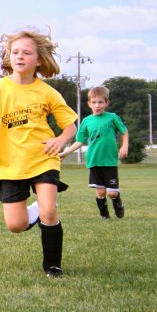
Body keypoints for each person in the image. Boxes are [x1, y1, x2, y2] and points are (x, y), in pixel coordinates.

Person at [0, 29, 77, 278]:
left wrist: (61, 139)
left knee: (50, 211)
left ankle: (53, 266)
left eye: (27, 53)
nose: (20, 56)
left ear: (39, 60)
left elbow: (70, 126)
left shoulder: (47, 92)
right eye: (15, 52)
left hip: (43, 158)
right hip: (8, 164)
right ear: (9, 57)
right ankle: (38, 209)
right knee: (16, 225)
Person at [59, 85, 129, 219]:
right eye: (94, 102)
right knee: (101, 192)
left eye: (100, 102)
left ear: (107, 103)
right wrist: (65, 153)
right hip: (94, 160)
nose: (97, 105)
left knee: (112, 193)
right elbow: (80, 141)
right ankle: (104, 215)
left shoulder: (112, 117)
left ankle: (118, 203)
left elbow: (124, 131)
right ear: (89, 104)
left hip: (109, 160)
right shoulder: (86, 121)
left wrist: (124, 145)